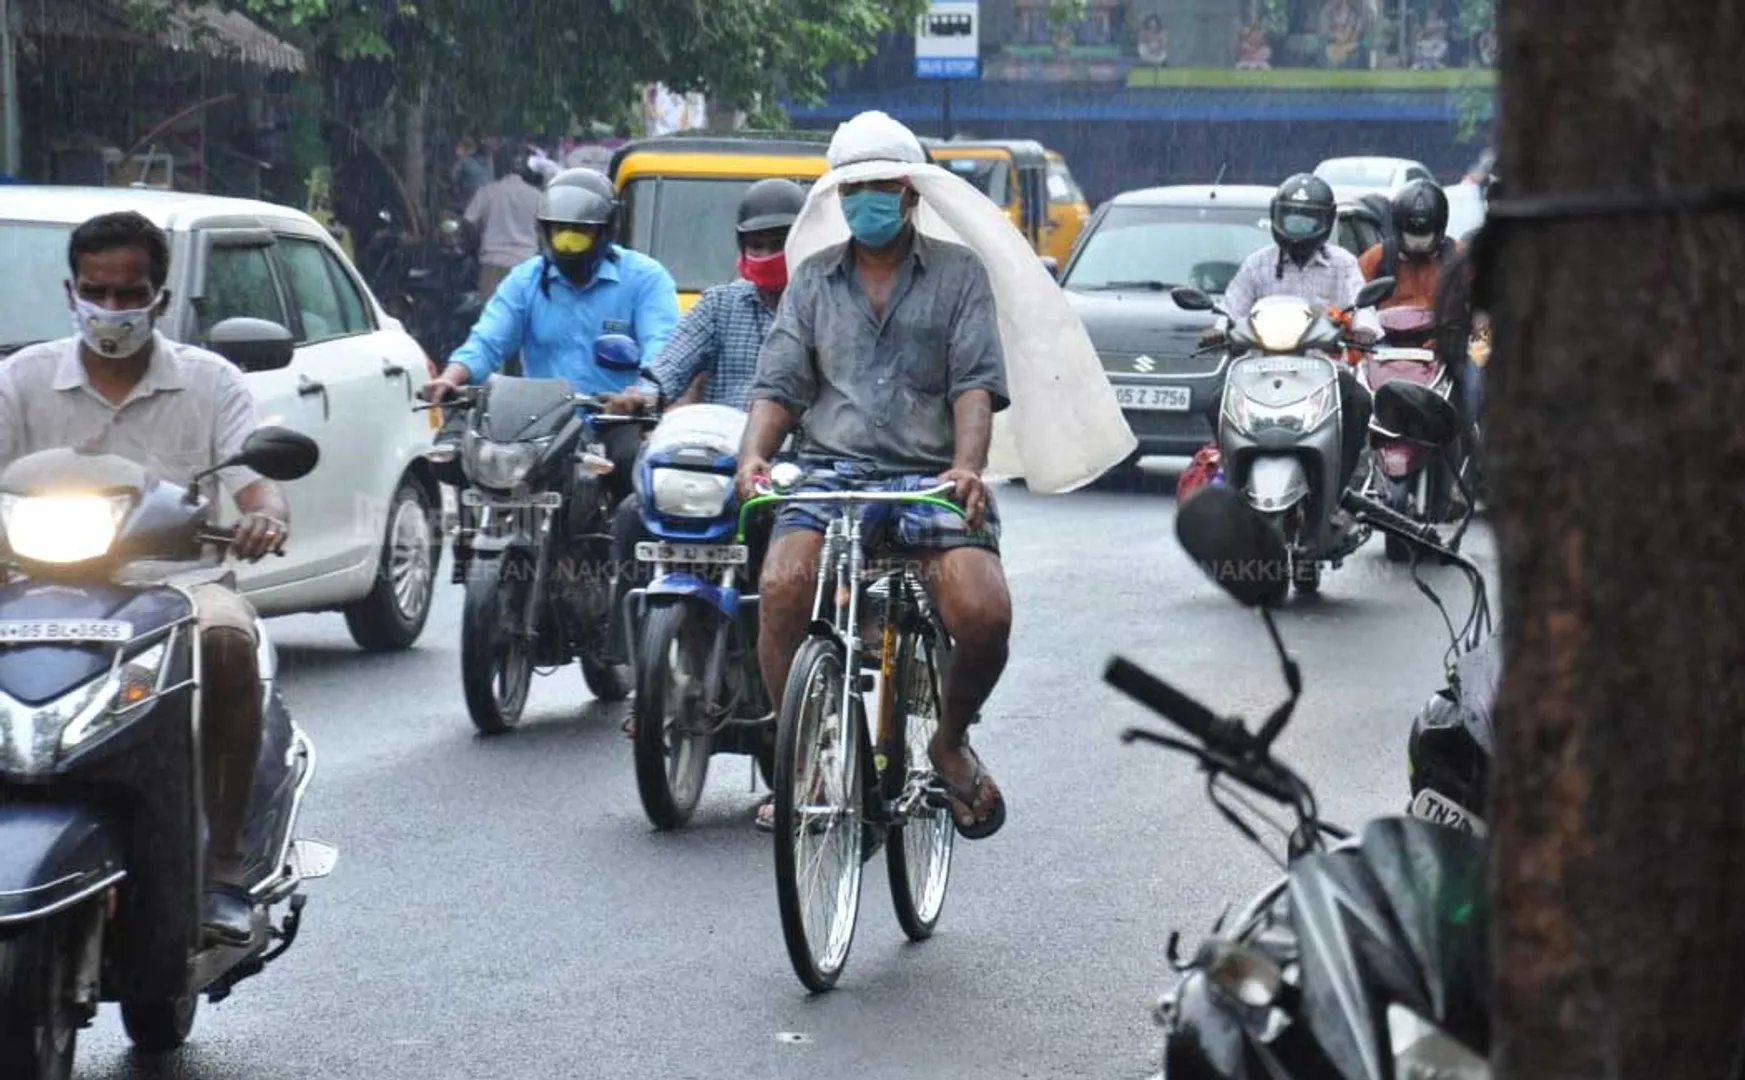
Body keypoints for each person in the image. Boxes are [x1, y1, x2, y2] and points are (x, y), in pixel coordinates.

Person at [0, 212, 290, 947]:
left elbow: (259, 488)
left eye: (130, 295)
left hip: (176, 582)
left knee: (227, 641)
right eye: (97, 292)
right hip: (31, 585)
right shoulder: (21, 379)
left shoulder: (211, 381)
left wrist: (264, 517)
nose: (113, 310)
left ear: (160, 298)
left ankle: (222, 865)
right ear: (71, 292)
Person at [736, 135, 1015, 842]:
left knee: (983, 614)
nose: (865, 202)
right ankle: (807, 755)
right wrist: (752, 459)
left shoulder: (958, 275)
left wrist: (967, 466)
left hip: (929, 476)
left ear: (911, 193)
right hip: (832, 472)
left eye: (879, 187)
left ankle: (949, 741)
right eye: (851, 190)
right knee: (780, 589)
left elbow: (974, 382)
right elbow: (777, 385)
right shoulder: (811, 281)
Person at [424, 168, 680, 671]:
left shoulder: (644, 278)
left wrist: (642, 394)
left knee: (639, 493)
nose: (568, 243)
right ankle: (475, 554)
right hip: (539, 418)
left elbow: (663, 350)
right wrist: (451, 378)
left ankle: (634, 602)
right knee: (458, 456)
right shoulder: (527, 279)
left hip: (610, 420)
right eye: (559, 231)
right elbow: (489, 339)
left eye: (579, 232)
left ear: (605, 232)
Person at [599, 178, 805, 682]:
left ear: (801, 243)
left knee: (787, 540)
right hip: (717, 465)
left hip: (789, 470)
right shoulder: (719, 305)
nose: (764, 254)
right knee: (631, 515)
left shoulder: (820, 305)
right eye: (755, 244)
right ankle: (637, 668)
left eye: (776, 244)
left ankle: (783, 652)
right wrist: (643, 394)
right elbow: (669, 364)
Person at [1200, 172, 1378, 498]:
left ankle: (1340, 486)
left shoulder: (1343, 264)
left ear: (1326, 222)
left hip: (1321, 372)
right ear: (1276, 217)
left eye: (1309, 220)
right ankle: (1233, 474)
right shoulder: (1257, 265)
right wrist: (1218, 331)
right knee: (1215, 402)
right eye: (1292, 218)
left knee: (1359, 402)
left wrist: (1365, 330)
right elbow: (1230, 309)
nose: (1299, 228)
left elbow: (1361, 305)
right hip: (1260, 370)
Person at [1358, 178, 1460, 314]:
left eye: (1425, 238)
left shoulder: (1459, 257)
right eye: (1411, 237)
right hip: (1388, 333)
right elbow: (1353, 297)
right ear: (1398, 229)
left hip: (1445, 332)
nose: (1417, 245)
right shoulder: (1377, 258)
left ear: (1439, 230)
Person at [464, 145, 545, 302]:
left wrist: (475, 243)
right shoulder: (537, 197)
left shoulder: (488, 191)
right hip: (526, 264)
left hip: (492, 263)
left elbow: (468, 222)